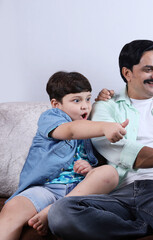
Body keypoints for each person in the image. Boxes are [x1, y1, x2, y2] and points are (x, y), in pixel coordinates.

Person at [48, 40, 153, 240]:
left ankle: (151, 223)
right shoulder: (105, 108)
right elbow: (124, 151)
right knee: (60, 213)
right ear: (127, 73)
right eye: (148, 69)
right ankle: (146, 227)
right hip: (118, 194)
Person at [0, 71, 128, 239]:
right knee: (13, 208)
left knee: (109, 173)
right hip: (46, 189)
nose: (85, 106)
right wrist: (105, 126)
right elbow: (71, 131)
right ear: (56, 104)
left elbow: (95, 164)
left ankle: (54, 210)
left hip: (79, 190)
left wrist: (89, 168)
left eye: (88, 99)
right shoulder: (51, 118)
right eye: (76, 100)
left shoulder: (89, 123)